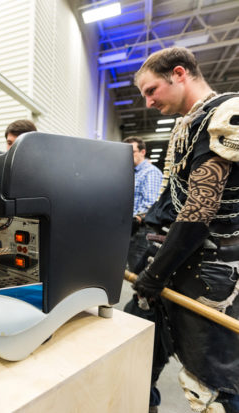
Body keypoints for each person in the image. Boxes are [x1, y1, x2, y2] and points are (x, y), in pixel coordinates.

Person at [133, 47, 239, 412]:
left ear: (179, 74)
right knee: (141, 351)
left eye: (151, 90)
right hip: (177, 262)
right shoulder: (186, 125)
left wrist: (155, 274)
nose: (148, 102)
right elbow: (171, 200)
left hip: (213, 276)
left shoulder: (226, 114)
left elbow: (199, 211)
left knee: (211, 386)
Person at [123, 136, 163, 273]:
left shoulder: (150, 172)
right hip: (131, 229)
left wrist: (137, 218)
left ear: (143, 152)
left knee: (138, 271)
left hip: (142, 230)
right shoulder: (131, 173)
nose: (128, 155)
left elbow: (151, 203)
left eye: (132, 151)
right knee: (131, 268)